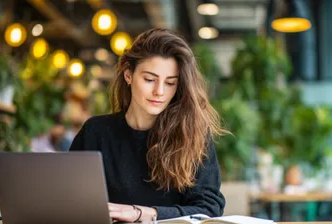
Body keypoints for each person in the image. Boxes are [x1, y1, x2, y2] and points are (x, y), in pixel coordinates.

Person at [69, 28, 228, 223]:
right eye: (150, 79)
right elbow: (70, 200)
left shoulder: (193, 134)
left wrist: (142, 213)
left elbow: (209, 208)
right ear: (128, 75)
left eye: (170, 83)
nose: (159, 91)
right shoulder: (96, 132)